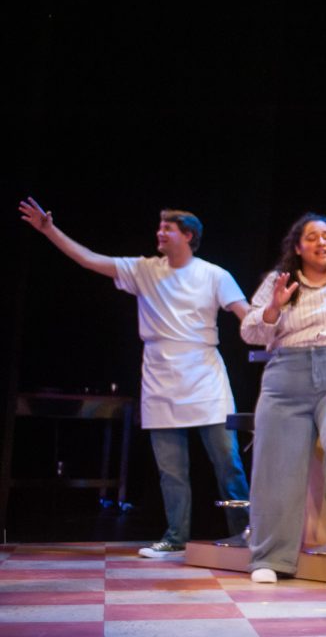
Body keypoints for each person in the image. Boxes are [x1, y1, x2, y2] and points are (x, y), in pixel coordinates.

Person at [18, 201, 251, 558]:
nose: (159, 233)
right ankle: (175, 538)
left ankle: (246, 538)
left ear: (188, 235)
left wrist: (272, 321)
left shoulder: (214, 274)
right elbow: (89, 259)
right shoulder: (144, 270)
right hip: (160, 375)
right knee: (171, 470)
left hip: (204, 375)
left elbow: (246, 316)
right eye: (159, 227)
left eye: (168, 228)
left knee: (227, 462)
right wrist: (49, 229)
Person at [240, 213, 326, 583]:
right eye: (312, 237)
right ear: (298, 247)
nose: (321, 242)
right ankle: (271, 557)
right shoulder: (279, 282)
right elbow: (250, 332)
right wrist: (274, 308)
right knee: (275, 466)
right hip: (286, 377)